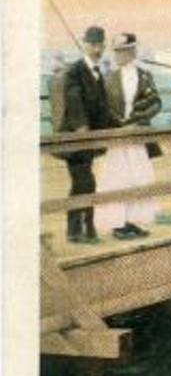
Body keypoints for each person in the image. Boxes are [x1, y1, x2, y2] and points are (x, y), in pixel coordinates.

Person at [50, 25, 117, 243]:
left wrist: (121, 125)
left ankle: (75, 230)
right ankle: (87, 229)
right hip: (75, 142)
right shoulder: (74, 72)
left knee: (81, 184)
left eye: (100, 44)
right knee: (86, 183)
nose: (97, 49)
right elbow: (75, 104)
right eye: (93, 44)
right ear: (84, 45)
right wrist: (83, 132)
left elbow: (102, 109)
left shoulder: (96, 73)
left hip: (88, 142)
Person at [97, 32, 163, 239]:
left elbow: (156, 103)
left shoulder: (145, 76)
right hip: (117, 138)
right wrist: (119, 124)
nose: (119, 55)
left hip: (137, 137)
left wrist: (137, 119)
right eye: (116, 51)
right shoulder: (109, 78)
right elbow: (103, 107)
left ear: (133, 51)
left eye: (123, 51)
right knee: (116, 179)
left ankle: (132, 220)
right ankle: (117, 224)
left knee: (139, 177)